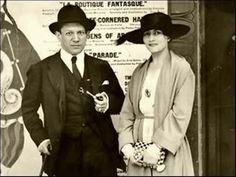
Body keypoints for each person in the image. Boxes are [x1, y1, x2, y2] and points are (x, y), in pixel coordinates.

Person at [22, 4, 125, 176]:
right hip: (63, 153)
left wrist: (108, 102)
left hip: (102, 152)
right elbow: (28, 109)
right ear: (58, 35)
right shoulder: (41, 69)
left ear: (87, 35)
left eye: (80, 33)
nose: (76, 39)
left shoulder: (101, 66)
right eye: (69, 33)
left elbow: (120, 101)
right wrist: (41, 139)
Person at [117, 12, 195, 176]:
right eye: (147, 34)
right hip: (138, 150)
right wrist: (127, 146)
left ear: (167, 36)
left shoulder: (181, 69)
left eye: (157, 33)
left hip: (167, 149)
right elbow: (127, 113)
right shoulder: (139, 72)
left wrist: (157, 147)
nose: (151, 38)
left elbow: (181, 114)